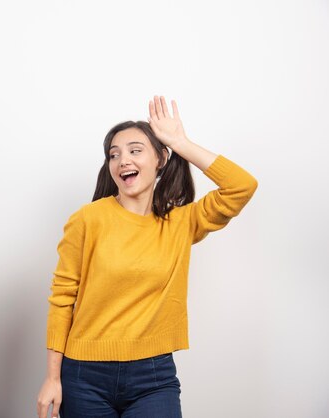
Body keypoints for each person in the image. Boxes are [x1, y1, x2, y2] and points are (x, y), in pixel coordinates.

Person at [36, 96, 258, 418]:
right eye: (114, 154)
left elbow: (241, 187)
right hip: (84, 376)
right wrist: (52, 379)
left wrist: (181, 142)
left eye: (135, 150)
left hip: (153, 377)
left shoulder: (181, 223)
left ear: (161, 159)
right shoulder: (88, 219)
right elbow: (62, 298)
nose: (122, 160)